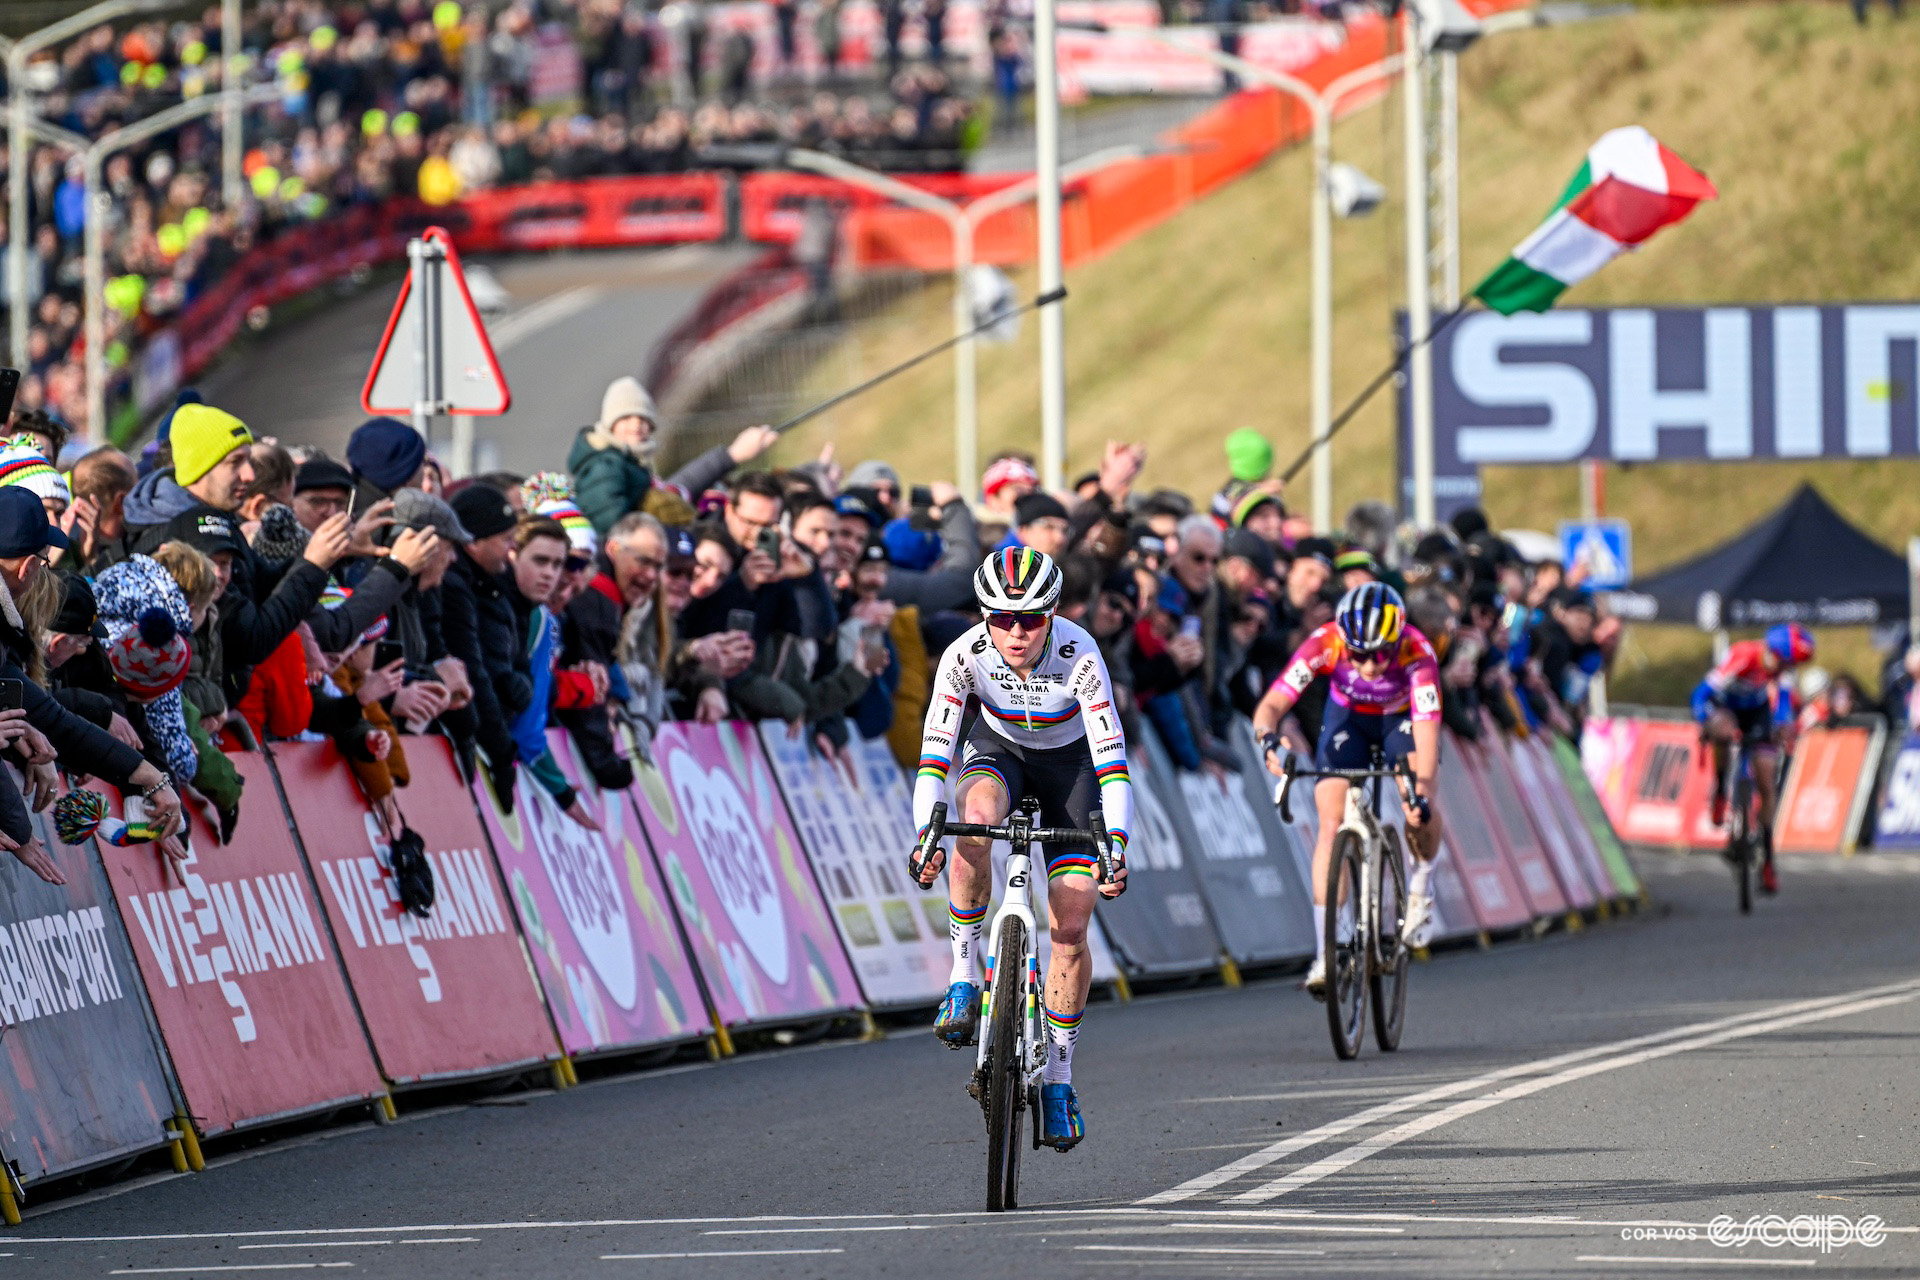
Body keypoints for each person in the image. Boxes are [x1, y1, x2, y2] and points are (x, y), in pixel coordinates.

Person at [909, 548, 1131, 1151]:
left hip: (1070, 768)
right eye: (1000, 617)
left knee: (1072, 916)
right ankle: (963, 973)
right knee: (972, 821)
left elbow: (1111, 762)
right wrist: (925, 831)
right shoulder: (964, 655)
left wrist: (1116, 842)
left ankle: (1059, 1079)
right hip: (1000, 750)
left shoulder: (1081, 654)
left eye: (1029, 618)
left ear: (1052, 614)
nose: (1014, 631)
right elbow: (935, 751)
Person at [1251, 582, 1443, 996]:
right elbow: (1272, 704)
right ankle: (1327, 948)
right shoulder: (1325, 642)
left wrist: (1421, 792)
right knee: (1330, 822)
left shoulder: (1417, 652)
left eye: (1380, 654)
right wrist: (1268, 738)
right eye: (1359, 654)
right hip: (1348, 719)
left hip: (1400, 720)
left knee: (1416, 805)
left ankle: (1422, 882)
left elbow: (1428, 730)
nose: (1371, 665)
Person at [1692, 622, 1813, 895]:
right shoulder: (1743, 655)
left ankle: (1768, 861)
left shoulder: (1783, 669)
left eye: (1789, 666)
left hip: (1756, 712)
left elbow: (1782, 706)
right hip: (1726, 707)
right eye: (1783, 664)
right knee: (1722, 730)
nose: (1784, 671)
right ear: (1772, 653)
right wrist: (1704, 721)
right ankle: (1722, 788)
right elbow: (1701, 694)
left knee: (1767, 777)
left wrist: (1783, 727)